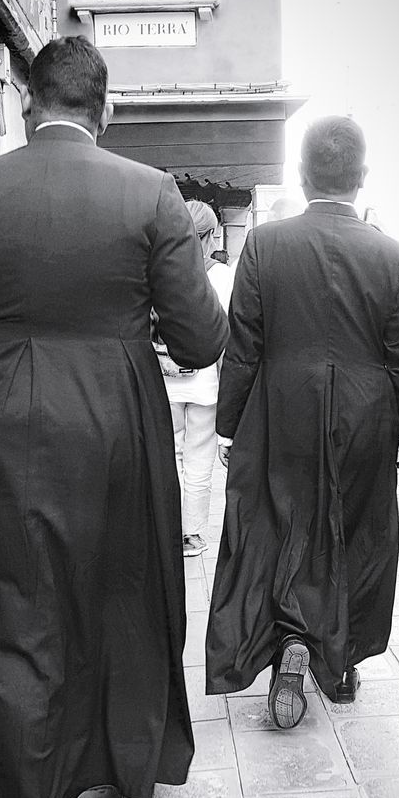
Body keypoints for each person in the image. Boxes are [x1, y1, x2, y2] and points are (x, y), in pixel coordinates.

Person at [0, 36, 228, 798]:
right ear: (102, 110)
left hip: (13, 429)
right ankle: (124, 760)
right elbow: (200, 336)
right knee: (120, 596)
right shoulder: (152, 195)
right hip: (121, 427)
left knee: (21, 610)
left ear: (25, 104)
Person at [205, 115, 399, 727]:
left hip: (282, 408)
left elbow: (243, 345)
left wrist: (228, 425)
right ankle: (343, 658)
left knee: (281, 527)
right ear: (361, 178)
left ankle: (288, 646)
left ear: (303, 177)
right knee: (354, 532)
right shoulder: (391, 255)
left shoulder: (264, 245)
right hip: (365, 416)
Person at [157, 200, 235, 557]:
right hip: (205, 382)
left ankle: (168, 528)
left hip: (163, 377)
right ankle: (193, 534)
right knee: (199, 456)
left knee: (169, 454)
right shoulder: (222, 276)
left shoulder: (158, 271)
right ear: (207, 236)